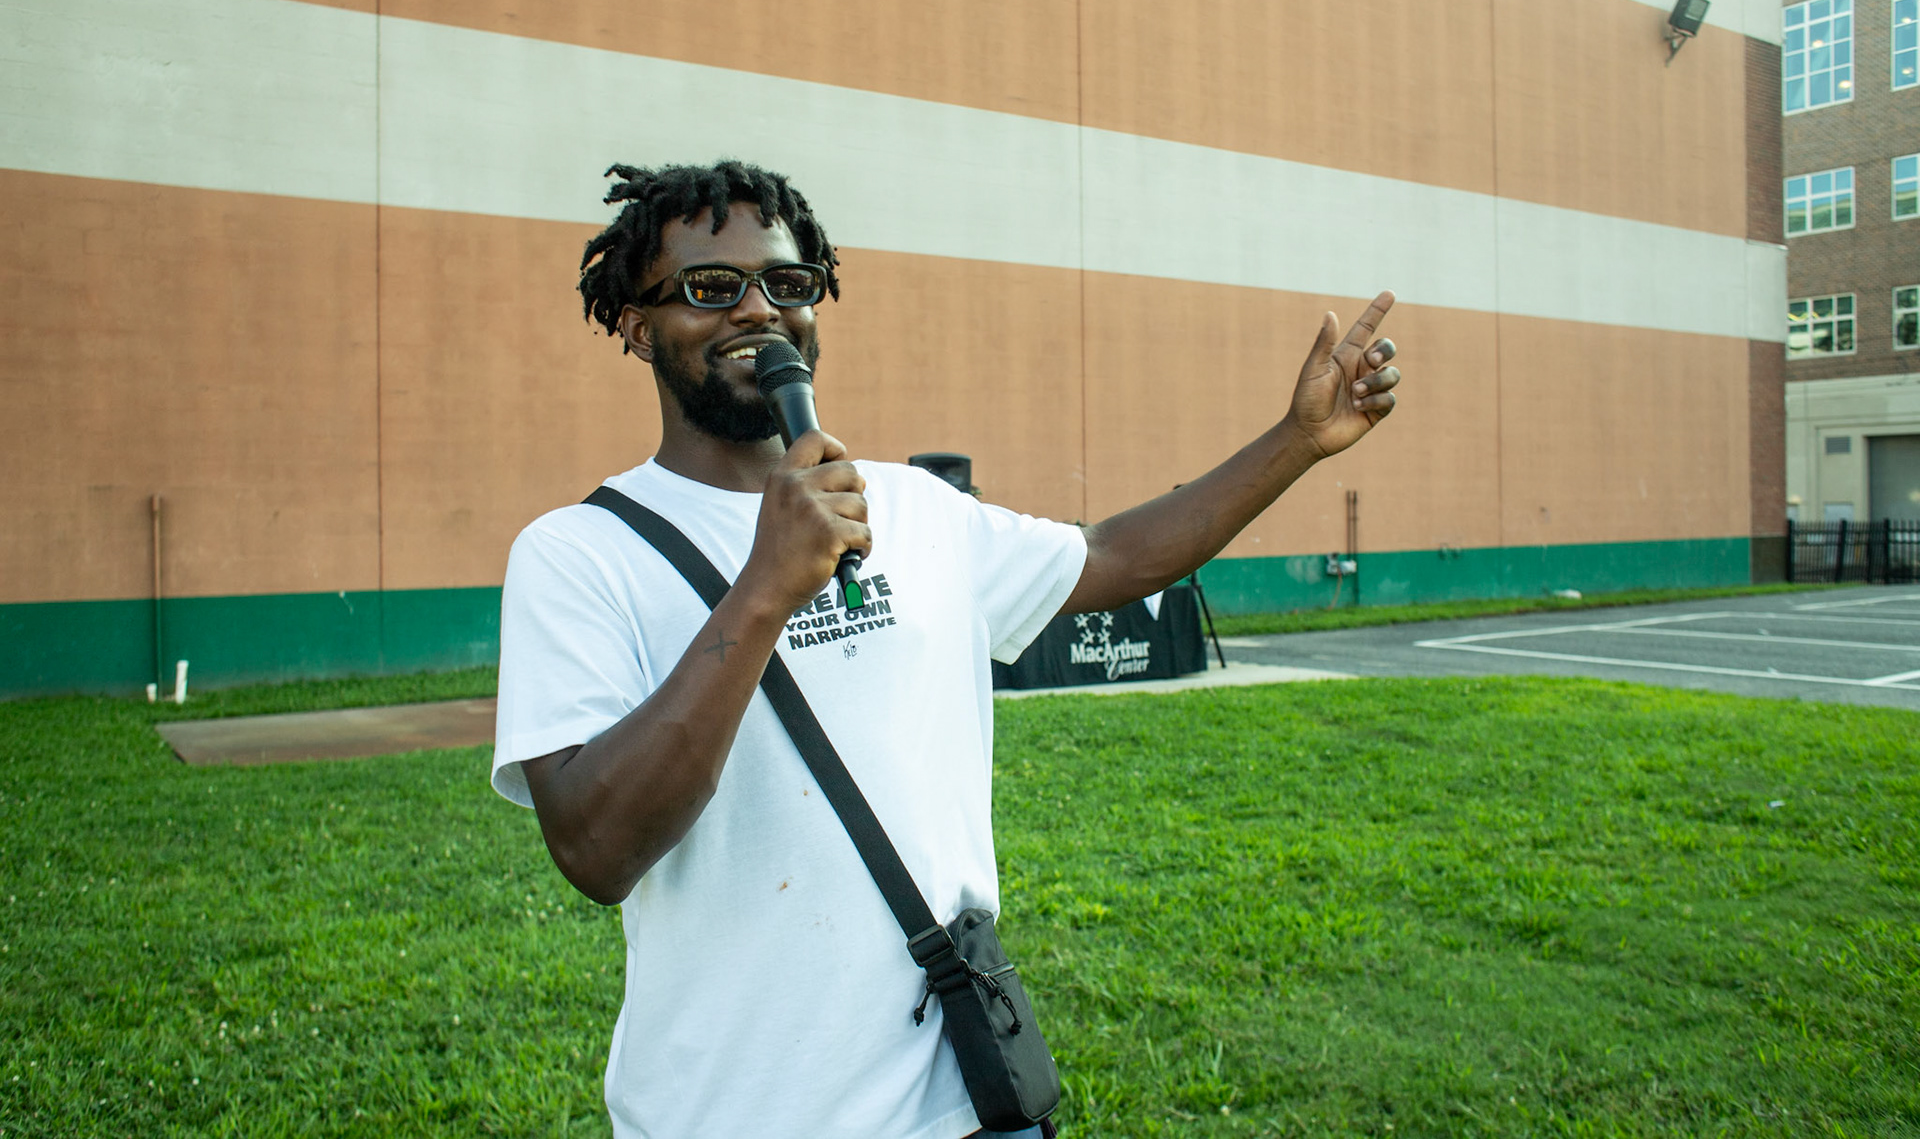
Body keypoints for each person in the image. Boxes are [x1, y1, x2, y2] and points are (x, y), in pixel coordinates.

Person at [491, 160, 1402, 1138]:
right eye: (711, 287)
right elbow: (597, 848)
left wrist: (1297, 439)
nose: (758, 309)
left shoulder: (915, 507)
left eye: (787, 282)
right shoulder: (579, 554)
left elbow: (1114, 555)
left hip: (964, 1105)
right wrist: (765, 586)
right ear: (637, 327)